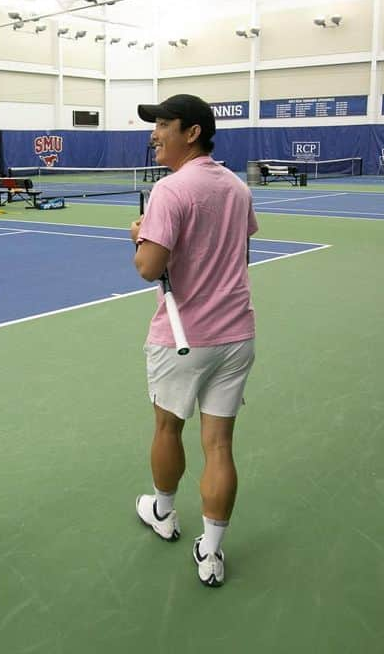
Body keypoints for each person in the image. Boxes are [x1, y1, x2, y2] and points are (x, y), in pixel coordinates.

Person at [129, 94, 258, 588]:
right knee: (219, 444)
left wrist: (139, 236)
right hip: (236, 335)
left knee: (167, 429)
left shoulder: (169, 191)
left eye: (164, 123)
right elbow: (236, 255)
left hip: (184, 338)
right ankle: (212, 552)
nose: (154, 132)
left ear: (193, 132)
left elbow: (148, 268)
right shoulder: (238, 188)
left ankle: (163, 512)